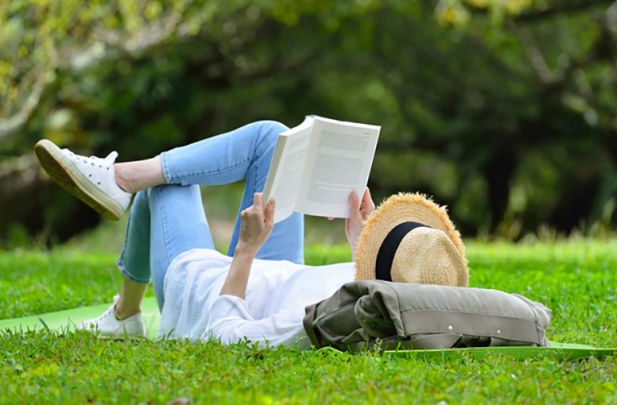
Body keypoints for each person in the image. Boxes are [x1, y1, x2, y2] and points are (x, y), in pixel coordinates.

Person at [34, 120, 469, 348]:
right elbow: (362, 292)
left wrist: (246, 250)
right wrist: (360, 246)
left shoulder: (318, 323)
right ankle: (122, 185)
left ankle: (123, 183)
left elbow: (227, 335)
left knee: (167, 184)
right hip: (278, 271)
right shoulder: (395, 299)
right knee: (271, 138)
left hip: (209, 293)